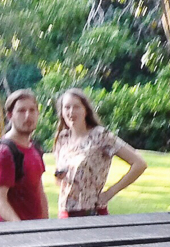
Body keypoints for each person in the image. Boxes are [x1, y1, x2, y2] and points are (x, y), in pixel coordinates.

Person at [53, 87, 146, 217]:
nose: (71, 112)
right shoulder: (62, 138)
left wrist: (110, 193)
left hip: (92, 212)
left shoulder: (100, 135)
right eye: (67, 107)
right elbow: (60, 180)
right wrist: (59, 176)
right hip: (65, 212)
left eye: (76, 107)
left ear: (86, 110)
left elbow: (139, 163)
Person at [0, 89, 48, 222]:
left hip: (35, 231)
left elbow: (39, 189)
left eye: (32, 110)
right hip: (11, 235)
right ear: (10, 115)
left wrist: (46, 225)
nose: (28, 116)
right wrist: (20, 228)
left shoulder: (34, 148)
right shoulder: (3, 153)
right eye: (21, 111)